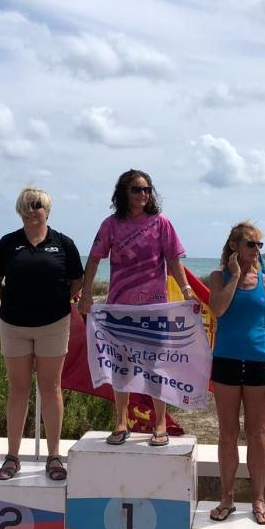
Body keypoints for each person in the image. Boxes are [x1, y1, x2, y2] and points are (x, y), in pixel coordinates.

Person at [78, 169, 195, 447]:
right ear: (123, 193)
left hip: (154, 309)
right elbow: (94, 259)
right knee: (122, 366)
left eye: (147, 189)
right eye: (136, 190)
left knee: (156, 367)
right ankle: (121, 422)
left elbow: (174, 259)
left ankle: (160, 423)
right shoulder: (111, 225)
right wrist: (85, 293)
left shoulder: (161, 223)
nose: (143, 195)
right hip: (120, 308)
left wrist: (187, 289)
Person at [0, 187, 85, 481]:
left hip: (54, 325)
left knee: (51, 389)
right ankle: (12, 457)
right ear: (19, 210)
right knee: (18, 391)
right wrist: (14, 302)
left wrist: (56, 302)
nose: (32, 210)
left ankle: (54, 457)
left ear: (47, 210)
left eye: (37, 205)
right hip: (14, 326)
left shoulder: (63, 244)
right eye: (26, 205)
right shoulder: (8, 243)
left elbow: (77, 282)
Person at [207, 222, 265, 525]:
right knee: (227, 435)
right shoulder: (218, 278)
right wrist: (235, 276)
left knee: (257, 434)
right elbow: (218, 310)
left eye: (258, 245)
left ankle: (258, 498)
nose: (256, 250)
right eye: (250, 244)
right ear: (234, 247)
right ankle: (227, 498)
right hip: (225, 362)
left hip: (258, 364)